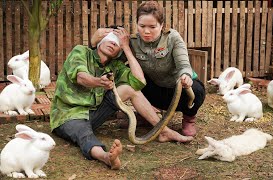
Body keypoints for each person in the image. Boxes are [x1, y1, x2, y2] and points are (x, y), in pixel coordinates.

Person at [50, 26, 193, 169]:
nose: (113, 43)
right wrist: (99, 82)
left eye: (118, 43)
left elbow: (139, 81)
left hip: (93, 113)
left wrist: (127, 48)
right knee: (83, 132)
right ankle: (106, 157)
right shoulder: (81, 51)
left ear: (119, 52)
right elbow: (81, 77)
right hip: (68, 115)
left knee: (131, 89)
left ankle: (164, 131)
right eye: (110, 39)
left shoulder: (116, 66)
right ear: (100, 40)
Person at [91, 1, 206, 137]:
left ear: (161, 25)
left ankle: (189, 118)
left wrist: (185, 75)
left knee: (197, 91)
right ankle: (145, 113)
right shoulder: (133, 42)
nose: (146, 31)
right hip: (154, 90)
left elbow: (183, 64)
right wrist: (94, 43)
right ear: (137, 24)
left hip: (178, 88)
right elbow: (111, 63)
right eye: (142, 26)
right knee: (131, 73)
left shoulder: (172, 38)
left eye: (152, 27)